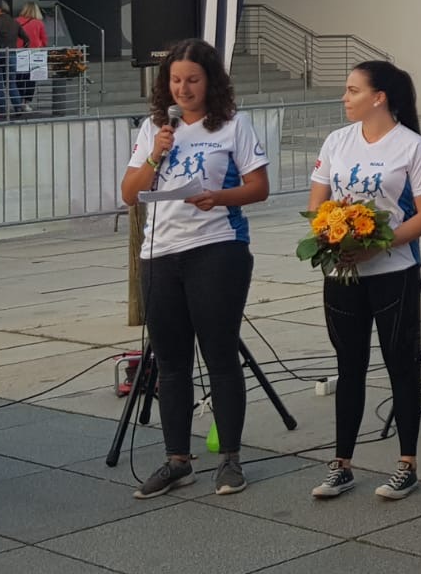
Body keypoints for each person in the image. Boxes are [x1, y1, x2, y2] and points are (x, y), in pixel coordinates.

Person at [119, 39, 269, 499]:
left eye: (192, 80)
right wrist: (154, 155)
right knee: (171, 363)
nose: (183, 89)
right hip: (160, 253)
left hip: (217, 247)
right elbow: (129, 193)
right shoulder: (155, 129)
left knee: (220, 355)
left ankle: (230, 460)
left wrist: (218, 197)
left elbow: (259, 187)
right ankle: (177, 460)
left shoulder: (233, 125)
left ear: (211, 82)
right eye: (175, 80)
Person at [308, 61, 421, 502]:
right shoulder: (337, 141)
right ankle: (342, 463)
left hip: (393, 272)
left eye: (353, 90)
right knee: (350, 366)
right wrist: (330, 234)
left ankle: (407, 463)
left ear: (379, 97)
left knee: (401, 364)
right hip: (341, 272)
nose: (344, 98)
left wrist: (378, 244)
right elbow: (317, 203)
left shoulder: (411, 146)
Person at [0, 0, 25, 116]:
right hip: (12, 55)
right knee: (11, 83)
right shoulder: (15, 22)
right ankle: (18, 107)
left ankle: (2, 110)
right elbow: (26, 39)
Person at [15, 2, 48, 107]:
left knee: (19, 77)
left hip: (19, 52)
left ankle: (18, 100)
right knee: (32, 78)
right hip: (35, 53)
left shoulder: (16, 21)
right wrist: (39, 45)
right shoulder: (39, 23)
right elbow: (44, 40)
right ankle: (27, 102)